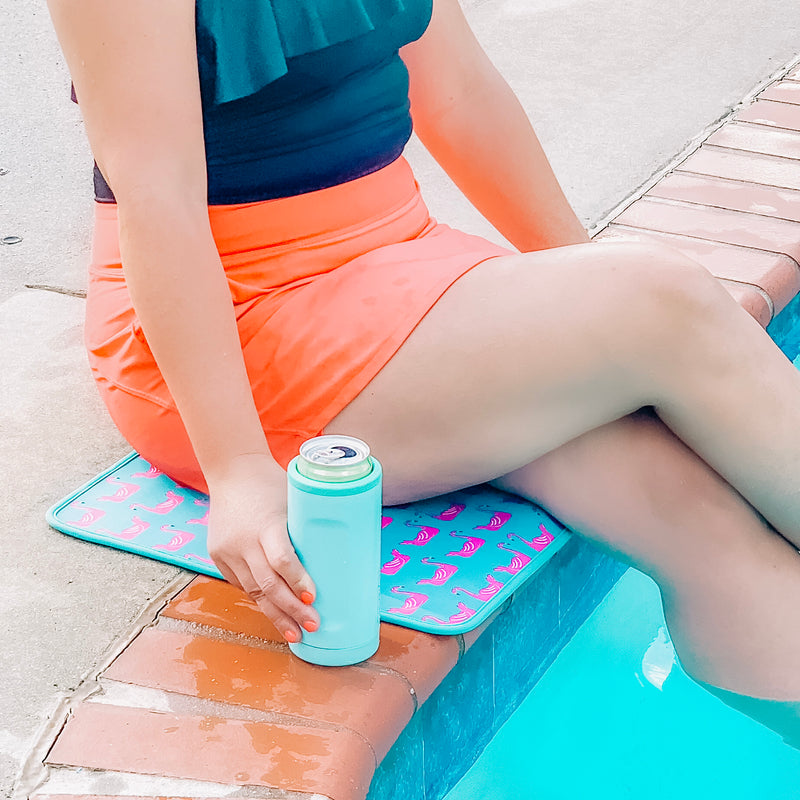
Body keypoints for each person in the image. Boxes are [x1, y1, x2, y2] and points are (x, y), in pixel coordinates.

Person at [48, 0, 800, 742]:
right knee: (661, 298)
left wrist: (585, 294)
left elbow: (460, 93)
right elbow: (158, 193)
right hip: (238, 324)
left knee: (696, 520)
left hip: (398, 264)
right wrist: (239, 467)